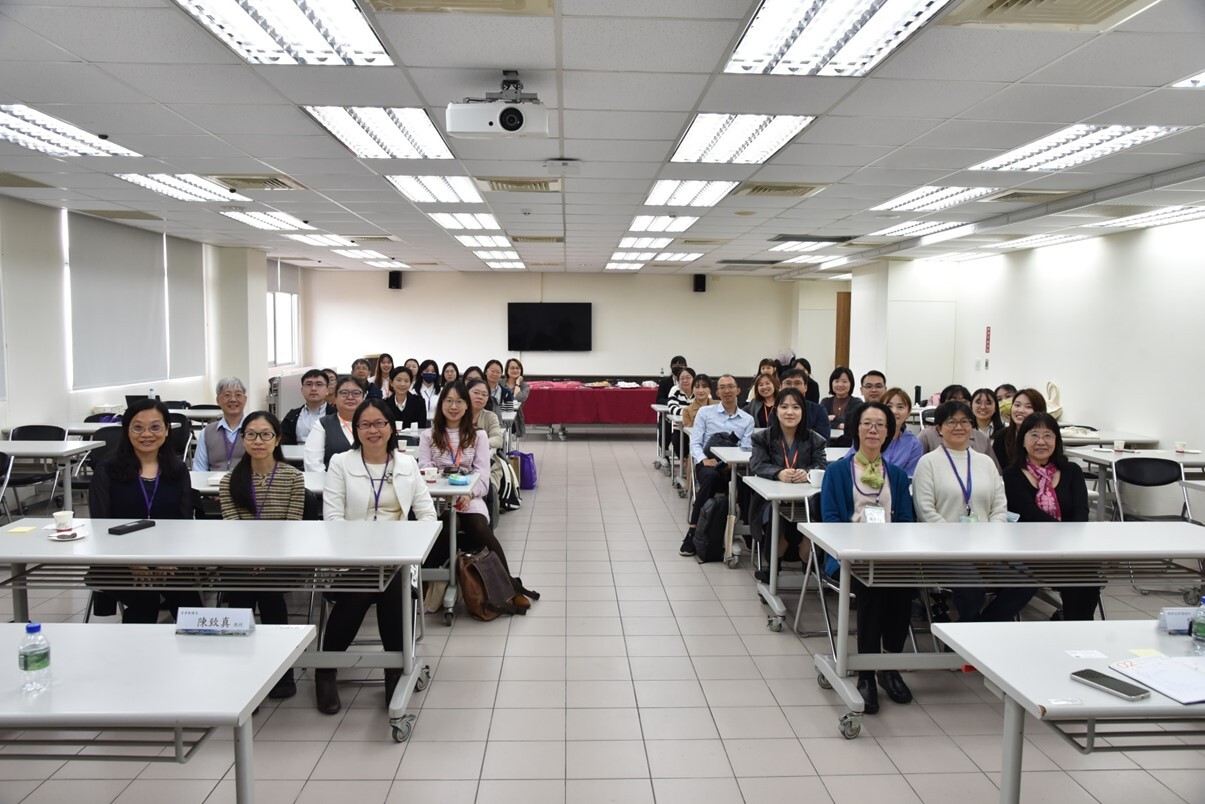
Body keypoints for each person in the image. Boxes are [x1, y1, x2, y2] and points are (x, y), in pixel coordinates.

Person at [319, 398, 437, 714]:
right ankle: (326, 669)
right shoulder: (341, 463)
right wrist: (365, 551)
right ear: (356, 430)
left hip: (396, 559)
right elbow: (332, 520)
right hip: (350, 560)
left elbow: (427, 513)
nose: (373, 430)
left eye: (379, 424)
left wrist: (410, 546)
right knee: (366, 587)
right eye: (365, 425)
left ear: (390, 427)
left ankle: (393, 673)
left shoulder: (406, 464)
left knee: (392, 584)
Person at [819, 401, 916, 714]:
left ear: (888, 432)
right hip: (850, 557)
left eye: (880, 425)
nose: (873, 430)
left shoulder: (897, 475)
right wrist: (858, 549)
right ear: (855, 429)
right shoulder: (837, 471)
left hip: (890, 555)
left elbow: (905, 521)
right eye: (867, 423)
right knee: (871, 589)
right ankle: (866, 672)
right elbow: (831, 520)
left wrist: (890, 548)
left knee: (904, 588)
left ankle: (889, 665)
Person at [88, 398, 202, 623]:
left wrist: (168, 559)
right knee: (145, 600)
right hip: (118, 560)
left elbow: (184, 521)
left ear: (167, 430)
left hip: (169, 559)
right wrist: (132, 561)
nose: (146, 434)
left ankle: (193, 655)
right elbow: (100, 524)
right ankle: (137, 655)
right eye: (138, 427)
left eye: (155, 427)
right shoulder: (107, 470)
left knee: (191, 607)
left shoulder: (177, 470)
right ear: (127, 431)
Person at [218, 411, 305, 699]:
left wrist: (266, 560)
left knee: (269, 595)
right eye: (251, 434)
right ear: (242, 439)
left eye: (265, 434)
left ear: (277, 439)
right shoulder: (230, 480)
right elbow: (233, 528)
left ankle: (280, 672)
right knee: (243, 596)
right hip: (241, 560)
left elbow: (291, 527)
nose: (258, 440)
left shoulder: (293, 477)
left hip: (280, 559)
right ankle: (244, 677)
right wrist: (251, 560)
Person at [914, 401, 1024, 623]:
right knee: (972, 586)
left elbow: (999, 507)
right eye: (951, 422)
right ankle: (969, 638)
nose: (959, 427)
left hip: (987, 548)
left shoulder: (984, 462)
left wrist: (989, 540)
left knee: (1024, 581)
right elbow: (926, 511)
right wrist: (962, 544)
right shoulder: (928, 463)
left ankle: (978, 630)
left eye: (965, 421)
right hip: (946, 549)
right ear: (939, 429)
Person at [1003, 412, 1097, 620]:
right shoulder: (1012, 474)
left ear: (1057, 440)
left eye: (1048, 436)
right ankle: (1071, 622)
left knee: (1088, 573)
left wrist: (1068, 542)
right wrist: (1064, 537)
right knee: (1077, 573)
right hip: (1030, 548)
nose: (1041, 442)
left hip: (1070, 548)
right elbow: (1029, 514)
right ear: (1023, 441)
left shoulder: (1072, 471)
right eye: (1034, 435)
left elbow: (1082, 511)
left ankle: (1077, 627)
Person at [419, 381, 515, 574]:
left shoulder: (479, 435)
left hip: (469, 498)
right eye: (448, 401)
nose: (453, 407)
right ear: (441, 404)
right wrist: (446, 491)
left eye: (459, 401)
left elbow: (482, 475)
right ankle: (432, 577)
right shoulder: (428, 436)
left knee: (478, 526)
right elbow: (425, 469)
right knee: (448, 524)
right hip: (438, 500)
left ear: (466, 406)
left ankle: (507, 582)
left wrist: (468, 495)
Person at [749, 387, 828, 584]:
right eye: (784, 407)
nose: (790, 412)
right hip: (772, 500)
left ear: (803, 411)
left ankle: (809, 560)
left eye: (795, 407)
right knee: (779, 519)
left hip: (806, 501)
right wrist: (778, 473)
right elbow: (757, 464)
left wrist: (808, 473)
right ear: (776, 410)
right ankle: (772, 566)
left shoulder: (815, 439)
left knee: (815, 518)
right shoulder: (762, 437)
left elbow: (821, 464)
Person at [681, 374, 755, 556]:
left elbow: (746, 448)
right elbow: (695, 442)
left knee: (748, 483)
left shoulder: (747, 419)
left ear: (738, 390)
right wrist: (703, 459)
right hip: (707, 465)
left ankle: (747, 529)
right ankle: (693, 529)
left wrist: (732, 463)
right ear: (717, 392)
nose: (727, 390)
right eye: (722, 387)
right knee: (711, 478)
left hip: (733, 467)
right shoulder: (705, 413)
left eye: (731, 386)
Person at [917, 384, 999, 470]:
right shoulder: (926, 436)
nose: (958, 406)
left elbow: (995, 471)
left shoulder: (981, 438)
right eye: (952, 401)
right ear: (941, 405)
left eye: (964, 402)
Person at [303, 375, 365, 471]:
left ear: (363, 398)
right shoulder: (323, 425)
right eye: (344, 393)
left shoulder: (373, 424)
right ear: (335, 399)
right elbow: (313, 465)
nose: (350, 397)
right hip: (331, 483)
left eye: (356, 393)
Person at [192, 377, 248, 471]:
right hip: (214, 485)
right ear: (218, 400)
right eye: (227, 395)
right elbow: (199, 470)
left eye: (238, 395)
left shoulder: (255, 429)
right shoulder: (206, 433)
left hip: (248, 484)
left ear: (245, 399)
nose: (233, 399)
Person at [992, 387, 1047, 469]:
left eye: (1028, 407)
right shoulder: (1001, 436)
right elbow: (996, 468)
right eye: (1017, 405)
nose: (1020, 410)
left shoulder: (1047, 436)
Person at [466, 377, 505, 491]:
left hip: (487, 464)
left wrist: (478, 444)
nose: (480, 397)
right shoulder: (458, 415)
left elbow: (498, 439)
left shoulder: (490, 416)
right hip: (460, 463)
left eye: (484, 394)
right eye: (476, 393)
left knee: (486, 488)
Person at [281, 369, 335, 446]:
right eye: (309, 384)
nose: (313, 388)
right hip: (295, 457)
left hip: (327, 457)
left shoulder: (336, 415)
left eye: (319, 384)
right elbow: (284, 442)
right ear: (302, 390)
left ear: (327, 390)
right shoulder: (292, 416)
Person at [779, 368, 831, 440]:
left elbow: (823, 440)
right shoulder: (776, 410)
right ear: (780, 387)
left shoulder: (818, 411)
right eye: (788, 383)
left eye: (797, 383)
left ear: (806, 387)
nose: (793, 387)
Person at [821, 367, 860, 446]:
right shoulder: (825, 401)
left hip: (848, 444)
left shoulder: (856, 402)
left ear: (851, 383)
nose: (840, 384)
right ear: (831, 383)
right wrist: (840, 425)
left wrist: (834, 418)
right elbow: (821, 423)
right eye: (836, 381)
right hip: (827, 444)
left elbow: (854, 424)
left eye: (844, 381)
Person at [504, 358, 531, 437]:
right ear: (507, 370)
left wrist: (517, 384)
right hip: (499, 416)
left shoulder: (525, 386)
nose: (515, 370)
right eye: (512, 368)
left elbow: (519, 400)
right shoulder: (500, 383)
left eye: (517, 368)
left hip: (515, 419)